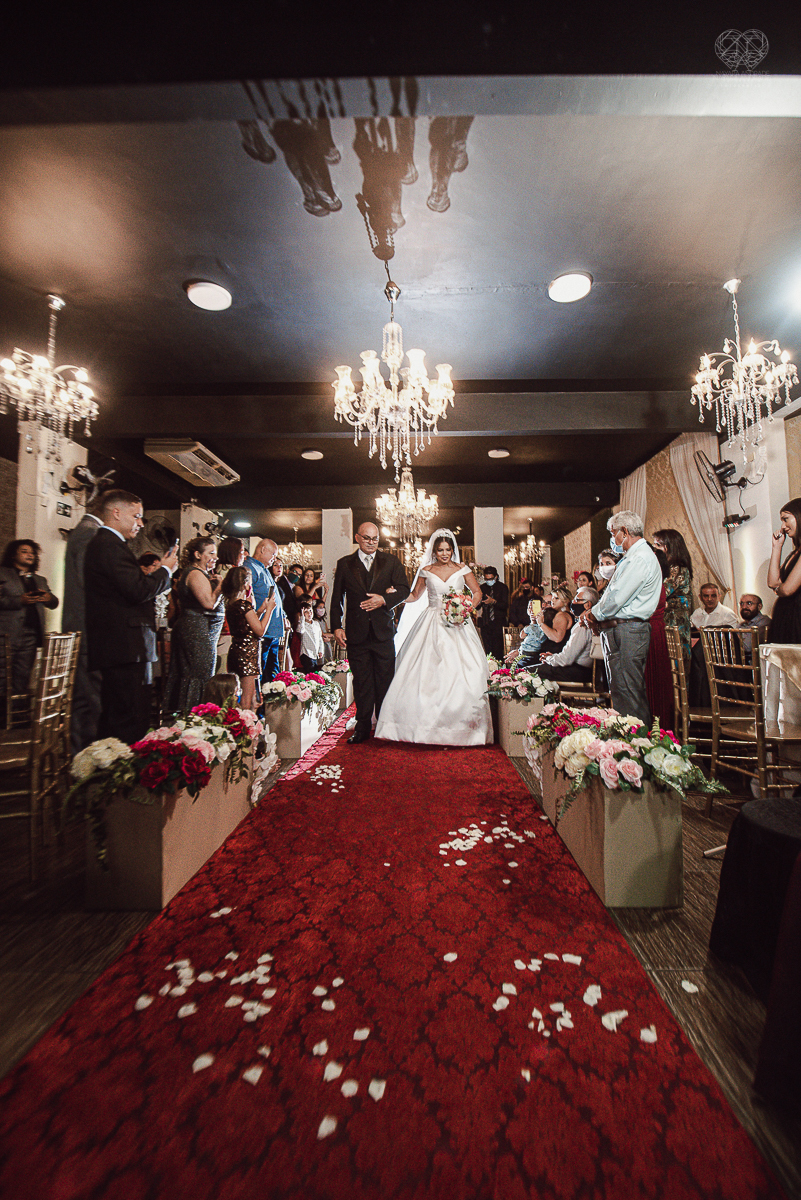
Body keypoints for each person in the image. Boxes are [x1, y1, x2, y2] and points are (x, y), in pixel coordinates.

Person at [375, 529, 493, 745]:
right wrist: (395, 595)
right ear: (434, 551)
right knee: (425, 673)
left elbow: (477, 592)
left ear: (453, 550)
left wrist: (467, 607)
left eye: (448, 550)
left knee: (465, 670)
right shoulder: (426, 570)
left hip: (458, 622)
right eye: (440, 550)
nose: (444, 553)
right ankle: (420, 725)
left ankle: (464, 728)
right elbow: (414, 596)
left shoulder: (462, 569)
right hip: (431, 621)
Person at [84, 490, 177, 743]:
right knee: (127, 717)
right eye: (136, 516)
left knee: (128, 714)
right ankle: (121, 775)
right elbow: (137, 590)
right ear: (116, 513)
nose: (140, 523)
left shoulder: (112, 545)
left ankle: (118, 771)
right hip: (123, 646)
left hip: (125, 646)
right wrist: (165, 571)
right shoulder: (108, 545)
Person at [330, 521, 411, 743]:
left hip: (383, 632)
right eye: (367, 538)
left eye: (375, 539)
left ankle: (385, 726)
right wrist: (336, 626)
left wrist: (384, 599)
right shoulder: (345, 564)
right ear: (357, 538)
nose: (371, 542)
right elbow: (337, 598)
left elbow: (405, 590)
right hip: (356, 633)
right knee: (362, 682)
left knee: (385, 680)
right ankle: (362, 727)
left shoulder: (391, 562)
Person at [584, 510, 662, 728]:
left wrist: (594, 614)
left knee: (630, 692)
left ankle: (640, 746)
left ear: (624, 532)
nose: (613, 539)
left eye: (613, 533)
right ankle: (624, 744)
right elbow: (611, 594)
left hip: (629, 630)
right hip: (618, 629)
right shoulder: (631, 557)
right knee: (620, 692)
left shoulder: (641, 558)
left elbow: (618, 597)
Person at [162, 537, 224, 715]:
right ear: (197, 555)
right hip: (195, 630)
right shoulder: (195, 573)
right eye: (210, 553)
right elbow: (209, 602)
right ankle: (193, 715)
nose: (215, 557)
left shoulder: (201, 573)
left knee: (199, 674)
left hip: (200, 630)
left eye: (216, 553)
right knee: (198, 676)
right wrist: (220, 585)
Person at [62, 502, 104, 752]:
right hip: (89, 628)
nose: (139, 523)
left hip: (81, 626)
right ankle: (86, 762)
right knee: (89, 701)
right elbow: (93, 584)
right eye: (135, 516)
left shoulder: (82, 532)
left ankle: (83, 756)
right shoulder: (90, 535)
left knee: (85, 699)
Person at [0, 539, 59, 701]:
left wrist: (48, 598)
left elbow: (54, 603)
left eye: (32, 553)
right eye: (24, 551)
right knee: (3, 675)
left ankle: (19, 713)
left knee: (23, 675)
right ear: (13, 555)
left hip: (31, 635)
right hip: (6, 634)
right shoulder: (3, 574)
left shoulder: (40, 580)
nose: (29, 555)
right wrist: (19, 601)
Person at [221, 566, 276, 710]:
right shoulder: (244, 605)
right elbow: (260, 630)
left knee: (245, 697)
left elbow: (246, 625)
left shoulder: (232, 605)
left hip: (237, 650)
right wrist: (270, 610)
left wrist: (260, 610)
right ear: (246, 584)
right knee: (248, 700)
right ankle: (246, 728)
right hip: (247, 654)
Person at [244, 538, 288, 684]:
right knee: (261, 672)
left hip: (272, 630)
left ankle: (271, 704)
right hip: (261, 628)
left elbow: (272, 595)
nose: (274, 559)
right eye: (273, 554)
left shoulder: (263, 569)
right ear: (262, 550)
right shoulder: (249, 567)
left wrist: (283, 616)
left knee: (272, 674)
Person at [537, 586, 597, 683]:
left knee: (527, 673)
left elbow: (566, 659)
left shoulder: (582, 626)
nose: (573, 602)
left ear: (587, 605)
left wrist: (549, 658)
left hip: (576, 672)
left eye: (577, 600)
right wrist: (553, 657)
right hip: (581, 671)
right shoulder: (591, 623)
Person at [644, 546, 674, 731]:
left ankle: (656, 730)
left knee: (653, 685)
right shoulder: (652, 579)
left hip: (652, 633)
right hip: (652, 630)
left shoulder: (653, 580)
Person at [653, 528, 694, 661]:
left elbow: (662, 591)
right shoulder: (666, 568)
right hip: (667, 621)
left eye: (658, 545)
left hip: (674, 623)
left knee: (675, 663)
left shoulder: (677, 568)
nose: (654, 549)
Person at [767, 498, 801, 644]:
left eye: (786, 519)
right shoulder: (795, 553)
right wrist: (777, 548)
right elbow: (772, 582)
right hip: (786, 616)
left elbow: (787, 589)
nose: (783, 526)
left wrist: (778, 589)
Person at [476, 566, 509, 659]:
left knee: (498, 650)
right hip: (486, 623)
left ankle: (498, 669)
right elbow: (477, 606)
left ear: (496, 577)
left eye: (490, 579)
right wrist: (478, 601)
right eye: (486, 579)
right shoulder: (482, 588)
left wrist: (493, 601)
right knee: (487, 650)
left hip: (499, 622)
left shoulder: (503, 588)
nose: (488, 581)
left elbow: (505, 605)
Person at [537, 585, 574, 652]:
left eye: (556, 598)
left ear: (566, 601)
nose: (553, 600)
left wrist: (541, 623)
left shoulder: (562, 615)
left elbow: (557, 637)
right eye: (552, 598)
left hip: (554, 654)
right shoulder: (568, 615)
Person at [737, 593, 771, 662]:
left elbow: (748, 647)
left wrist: (735, 638)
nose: (744, 607)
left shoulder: (764, 622)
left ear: (759, 606)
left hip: (756, 664)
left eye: (749, 603)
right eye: (742, 604)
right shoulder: (741, 625)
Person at [296, 599, 324, 672]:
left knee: (315, 671)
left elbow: (320, 638)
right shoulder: (302, 624)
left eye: (310, 611)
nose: (309, 613)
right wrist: (302, 617)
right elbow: (300, 630)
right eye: (306, 612)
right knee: (309, 671)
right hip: (306, 653)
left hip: (315, 653)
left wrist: (321, 650)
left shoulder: (316, 624)